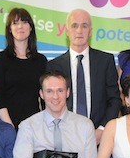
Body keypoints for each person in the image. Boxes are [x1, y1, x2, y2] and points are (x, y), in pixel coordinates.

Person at [46, 9, 121, 144]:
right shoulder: (54, 66)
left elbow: (114, 100)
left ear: (90, 31)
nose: (79, 30)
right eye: (74, 26)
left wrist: (103, 130)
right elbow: (51, 102)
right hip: (64, 137)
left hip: (99, 136)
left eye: (84, 26)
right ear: (67, 31)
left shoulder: (106, 61)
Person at [0, 7, 47, 129]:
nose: (20, 26)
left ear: (31, 27)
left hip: (35, 126)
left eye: (24, 22)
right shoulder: (1, 59)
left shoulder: (41, 61)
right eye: (15, 23)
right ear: (9, 29)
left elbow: (44, 98)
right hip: (6, 125)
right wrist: (9, 126)